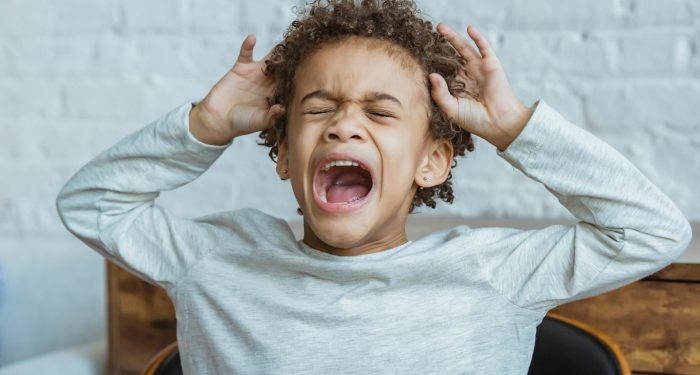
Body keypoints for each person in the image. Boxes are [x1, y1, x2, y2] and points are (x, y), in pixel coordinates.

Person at [56, 0, 692, 373]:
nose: (343, 128)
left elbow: (653, 232)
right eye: (318, 109)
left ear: (432, 162)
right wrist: (205, 125)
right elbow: (89, 203)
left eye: (380, 113)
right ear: (282, 155)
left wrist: (516, 129)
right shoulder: (215, 261)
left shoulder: (493, 272)